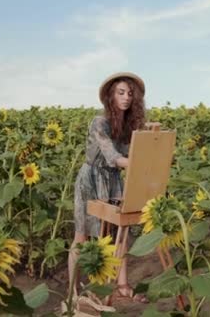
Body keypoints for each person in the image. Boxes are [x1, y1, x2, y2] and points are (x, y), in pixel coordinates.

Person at [68, 72, 149, 305]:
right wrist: (141, 161)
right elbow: (113, 156)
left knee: (119, 234)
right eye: (120, 93)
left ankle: (122, 286)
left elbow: (133, 152)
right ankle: (72, 293)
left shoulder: (128, 125)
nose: (126, 98)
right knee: (82, 236)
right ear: (110, 96)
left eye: (130, 94)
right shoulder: (99, 122)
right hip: (91, 180)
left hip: (114, 180)